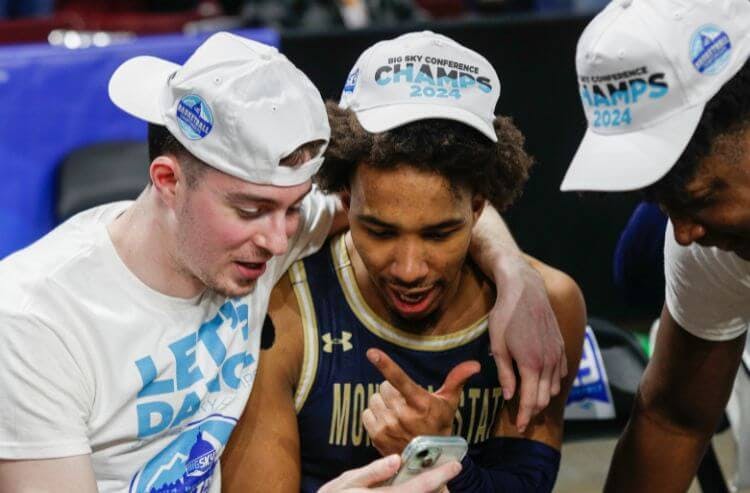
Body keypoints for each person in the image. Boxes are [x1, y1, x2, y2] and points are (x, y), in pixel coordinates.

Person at [0, 32, 564, 492]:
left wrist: (517, 277)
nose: (277, 241)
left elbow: (430, 200)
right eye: (252, 210)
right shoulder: (33, 323)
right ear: (168, 181)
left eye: (294, 207)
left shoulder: (261, 237)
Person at [221, 31, 586, 492]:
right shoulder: (282, 306)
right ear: (343, 200)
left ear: (478, 209)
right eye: (379, 230)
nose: (410, 269)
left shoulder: (546, 306)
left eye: (440, 233)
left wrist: (440, 455)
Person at [559, 0, 750, 490]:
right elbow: (674, 419)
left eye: (702, 196)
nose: (684, 233)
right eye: (659, 201)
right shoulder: (711, 242)